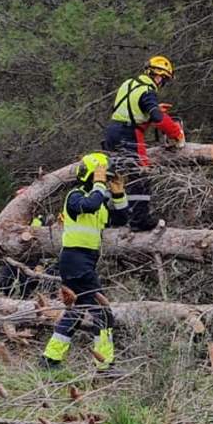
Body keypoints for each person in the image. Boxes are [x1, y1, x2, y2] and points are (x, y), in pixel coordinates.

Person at [41, 152, 128, 369]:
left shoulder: (98, 202)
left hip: (84, 261)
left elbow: (120, 219)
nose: (105, 180)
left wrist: (118, 194)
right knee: (103, 313)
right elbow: (88, 205)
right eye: (102, 175)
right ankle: (105, 366)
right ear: (92, 174)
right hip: (75, 260)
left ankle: (50, 358)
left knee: (77, 312)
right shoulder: (75, 196)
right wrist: (99, 184)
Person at [102, 54, 184, 232]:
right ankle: (140, 220)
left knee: (115, 178)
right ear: (159, 76)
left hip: (113, 131)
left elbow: (130, 111)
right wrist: (176, 133)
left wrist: (151, 110)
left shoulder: (129, 84)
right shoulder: (147, 91)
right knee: (141, 177)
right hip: (129, 134)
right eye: (164, 80)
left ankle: (112, 219)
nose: (162, 84)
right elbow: (158, 118)